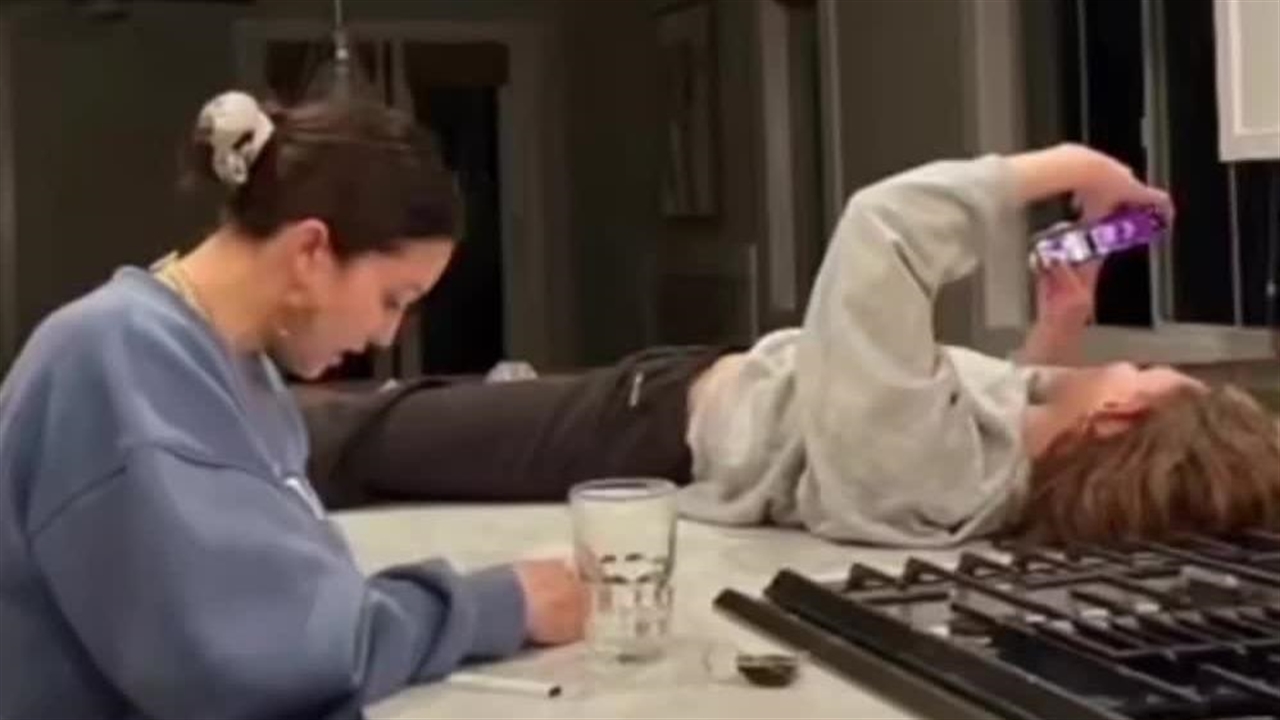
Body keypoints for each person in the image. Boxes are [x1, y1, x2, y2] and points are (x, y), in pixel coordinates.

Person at [300, 143, 1280, 546]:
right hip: (666, 404)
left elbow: (882, 228)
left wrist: (1063, 166)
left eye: (1139, 369)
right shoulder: (989, 479)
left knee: (372, 430)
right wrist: (1060, 321)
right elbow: (1000, 413)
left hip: (641, 428)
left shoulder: (921, 463)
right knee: (403, 424)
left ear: (1115, 415)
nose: (1124, 364)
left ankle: (208, 450)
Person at [0, 91, 586, 720]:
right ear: (311, 252)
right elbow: (265, 660)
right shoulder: (114, 361)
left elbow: (307, 609)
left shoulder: (238, 372)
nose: (387, 335)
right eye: (393, 299)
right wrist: (494, 607)